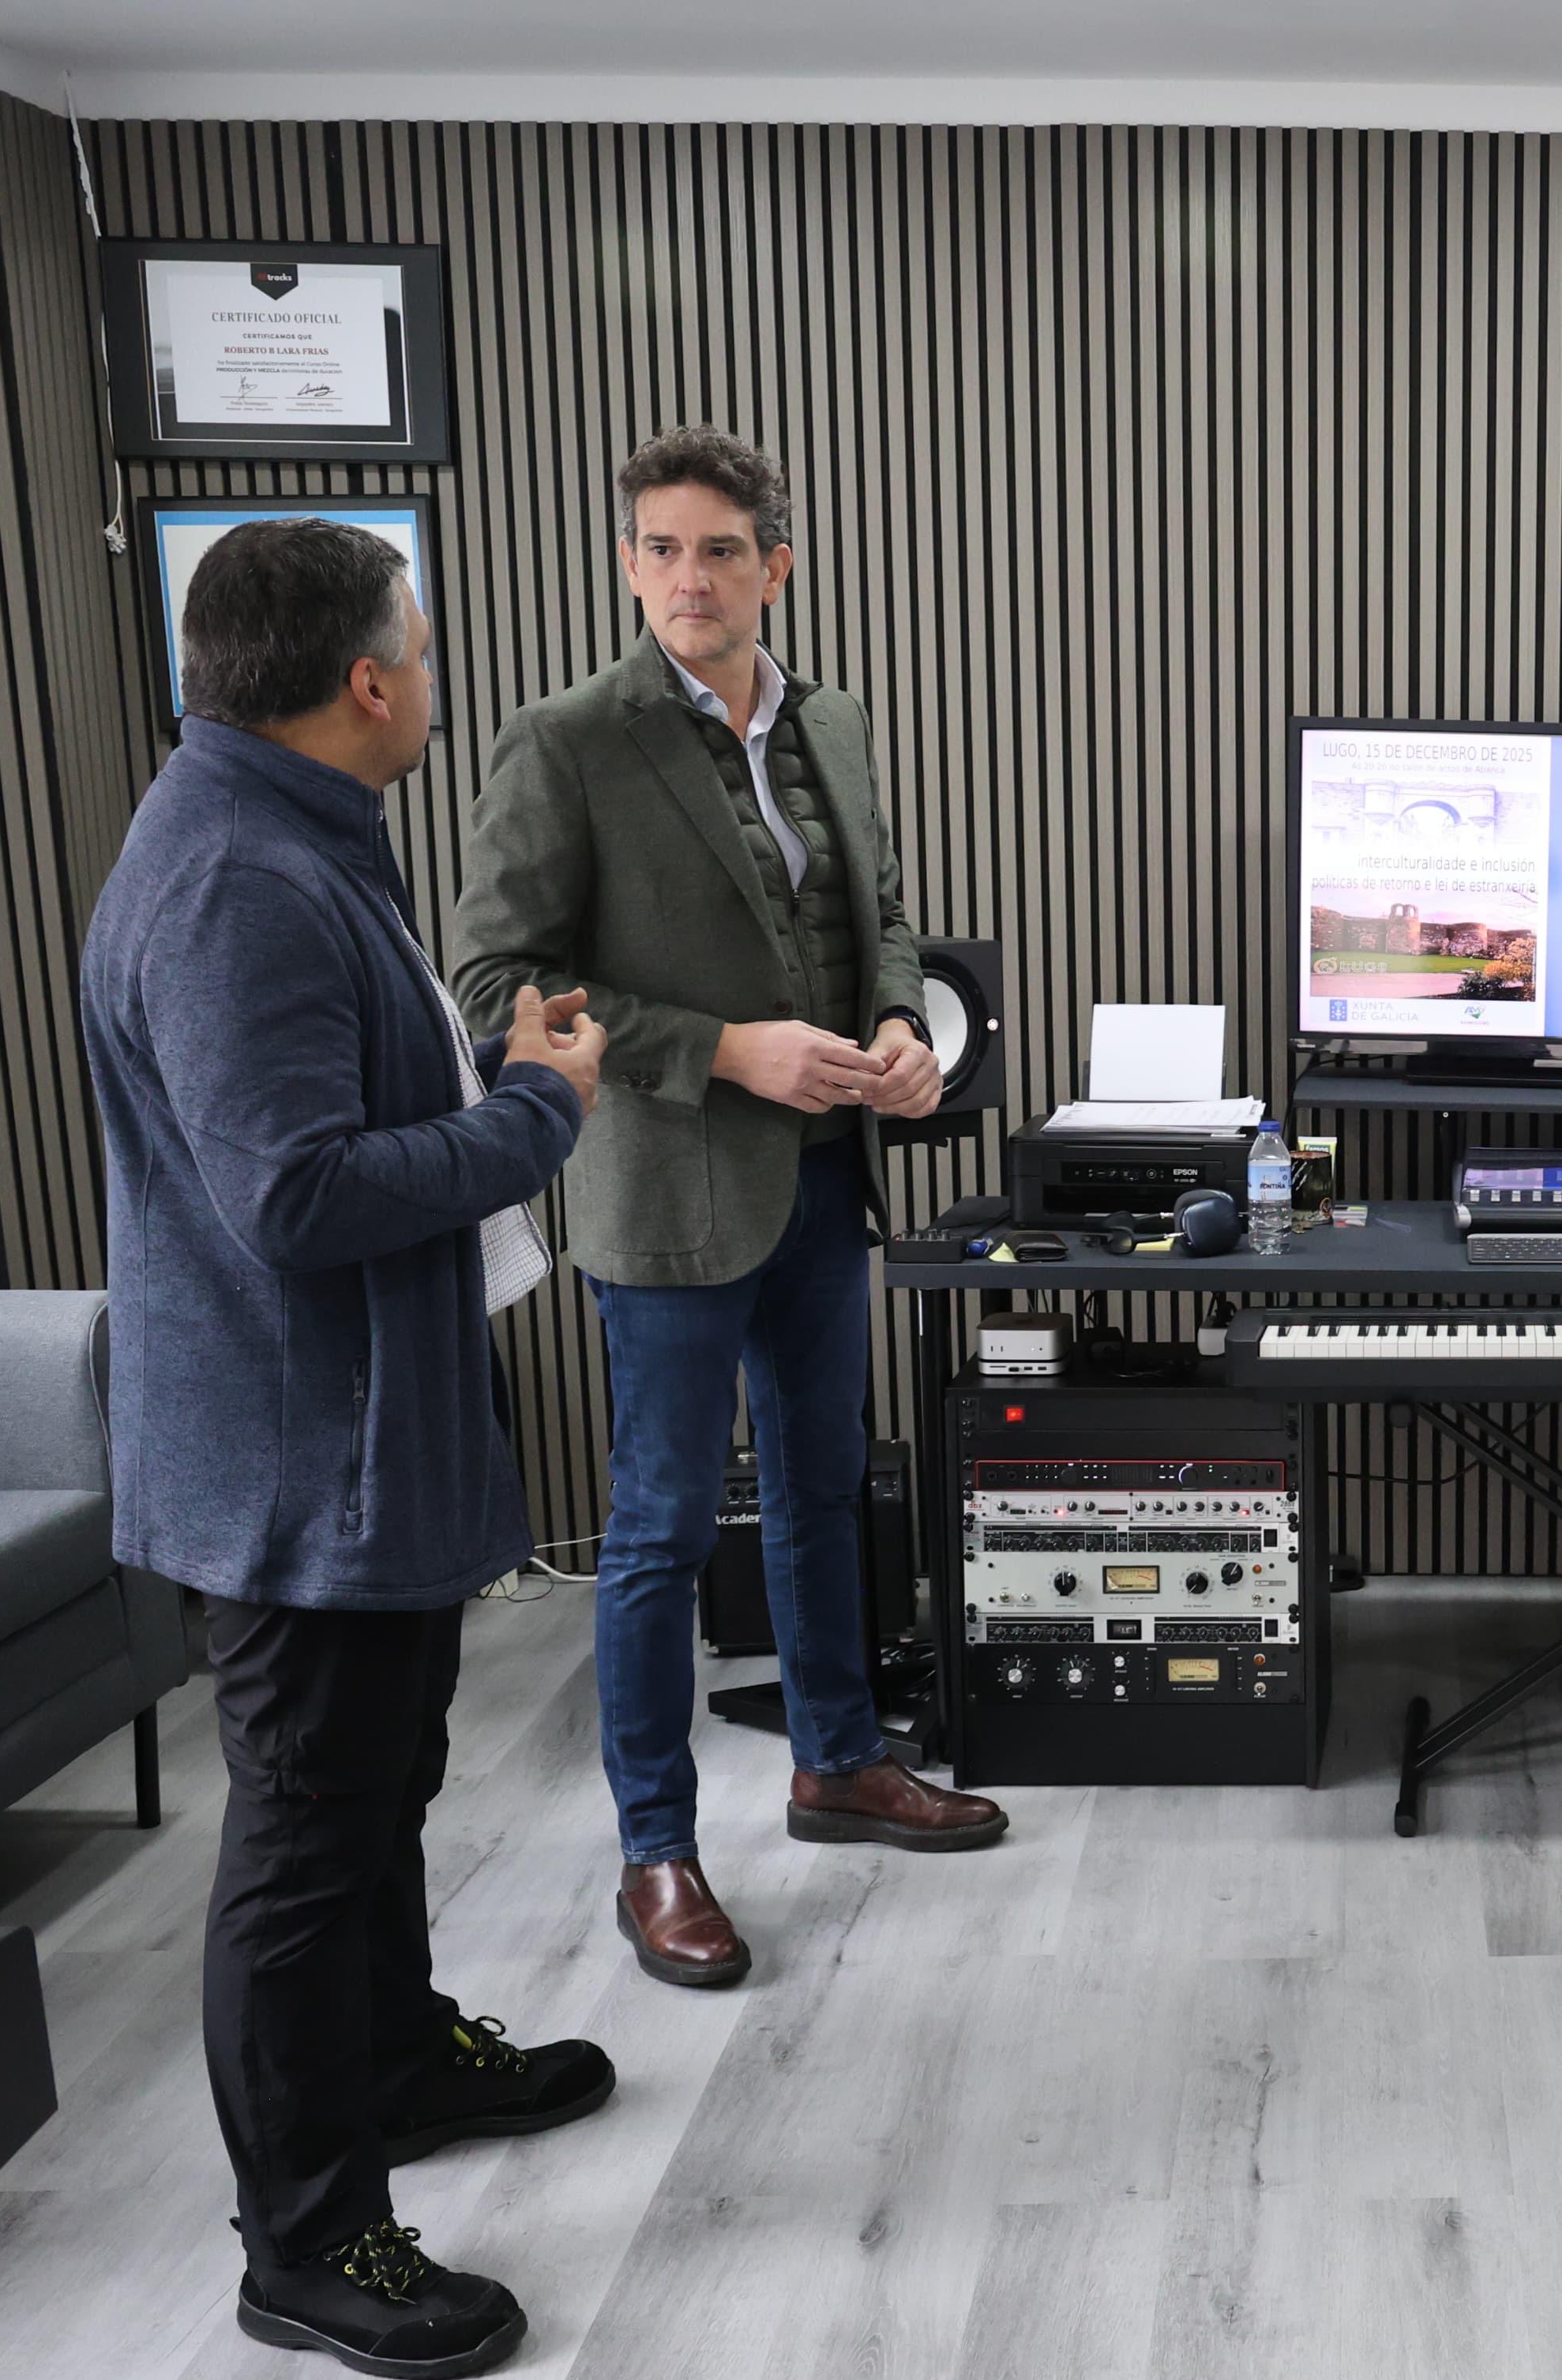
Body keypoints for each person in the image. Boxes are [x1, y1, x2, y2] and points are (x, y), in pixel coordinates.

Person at [81, 517, 615, 2380]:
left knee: (380, 1786)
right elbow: (294, 1197)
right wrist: (539, 1109)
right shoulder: (236, 879)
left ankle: (397, 2060)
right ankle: (308, 2243)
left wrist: (497, 1078)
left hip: (355, 1439)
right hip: (297, 1463)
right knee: (306, 1841)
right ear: (369, 679)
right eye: (425, 647)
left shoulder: (294, 831)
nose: (434, 677)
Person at [453, 426, 999, 1994]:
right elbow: (500, 987)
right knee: (662, 1530)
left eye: (717, 549)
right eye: (659, 548)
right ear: (629, 563)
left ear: (777, 564)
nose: (686, 578)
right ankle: (657, 1852)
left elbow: (882, 914)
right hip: (667, 1195)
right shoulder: (566, 740)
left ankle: (840, 1760)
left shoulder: (832, 718)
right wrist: (725, 1049)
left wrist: (898, 1022)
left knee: (825, 1489)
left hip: (825, 1177)